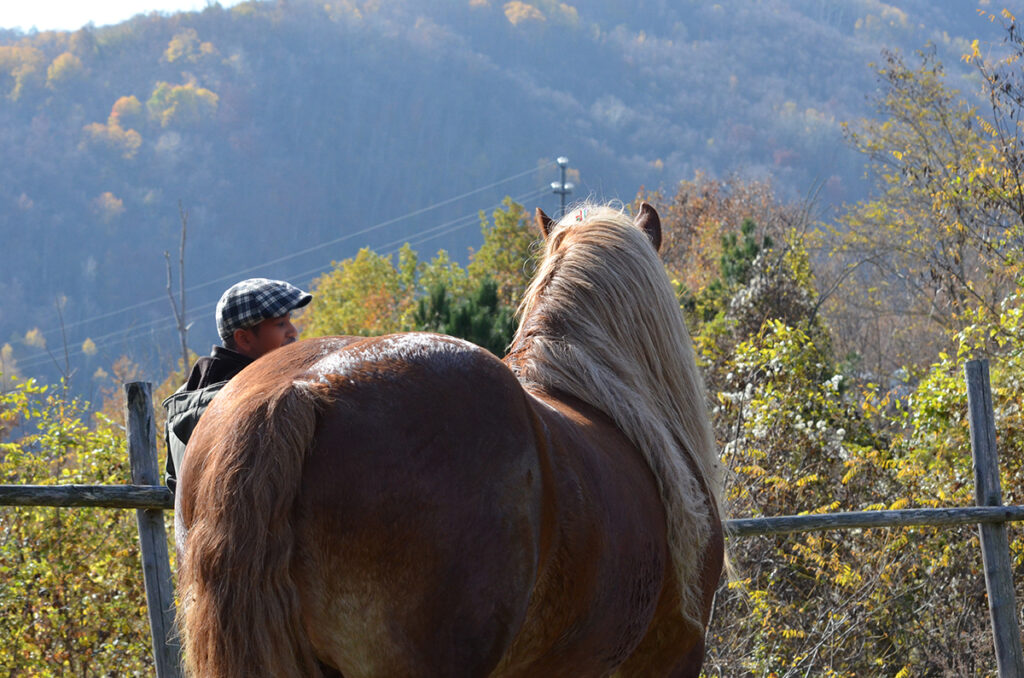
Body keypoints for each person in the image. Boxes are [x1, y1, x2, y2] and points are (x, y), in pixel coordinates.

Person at [163, 278, 312, 493]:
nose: (293, 331)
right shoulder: (266, 398)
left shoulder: (183, 399)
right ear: (244, 339)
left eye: (289, 321)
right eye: (281, 324)